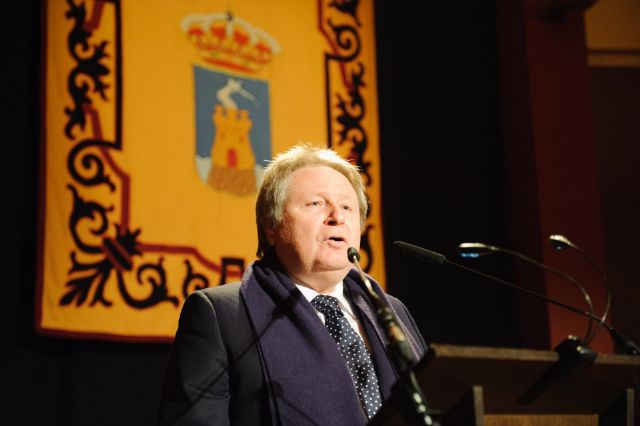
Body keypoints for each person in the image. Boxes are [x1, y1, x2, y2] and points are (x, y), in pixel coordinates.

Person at [157, 144, 428, 425]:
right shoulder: (222, 316)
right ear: (271, 227)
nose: (337, 217)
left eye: (347, 207)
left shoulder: (391, 310)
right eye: (316, 204)